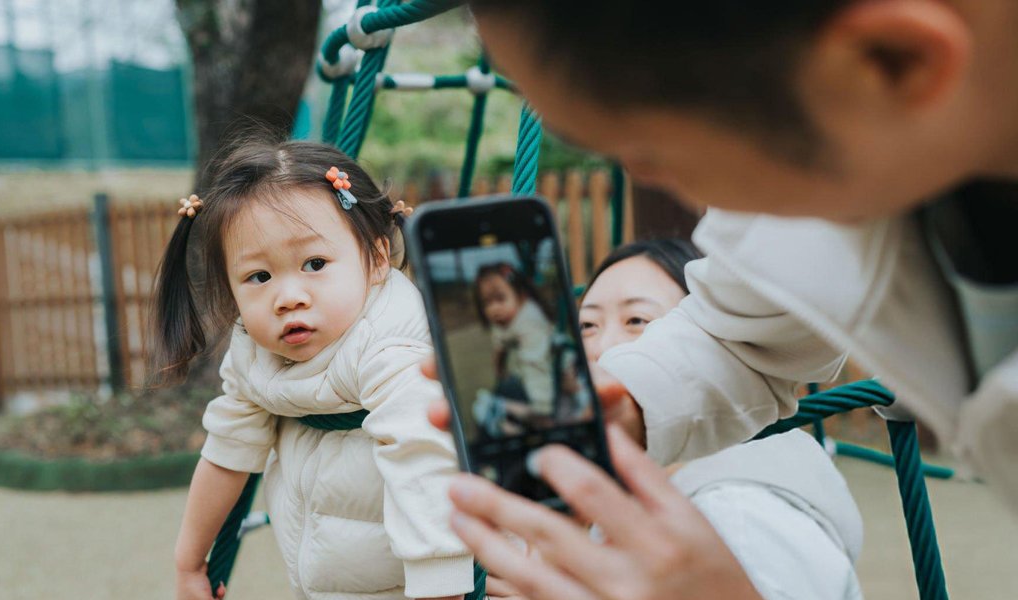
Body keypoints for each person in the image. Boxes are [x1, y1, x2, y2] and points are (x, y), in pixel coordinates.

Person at [425, 1, 1018, 598]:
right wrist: (630, 403)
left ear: (892, 62)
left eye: (648, 150)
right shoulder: (849, 138)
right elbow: (739, 330)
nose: (648, 178)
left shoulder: (747, 514)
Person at [152, 139, 472, 600]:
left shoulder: (393, 350)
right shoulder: (252, 353)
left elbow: (423, 469)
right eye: (259, 277)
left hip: (420, 585)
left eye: (315, 264)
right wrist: (188, 561)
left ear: (378, 260)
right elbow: (226, 452)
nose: (288, 297)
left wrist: (441, 592)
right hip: (325, 579)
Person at [578, 240, 863, 600]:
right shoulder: (603, 497)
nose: (603, 347)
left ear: (704, 341)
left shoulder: (739, 510)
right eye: (586, 325)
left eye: (637, 321)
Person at [473, 262, 556, 435]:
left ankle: (503, 416)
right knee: (503, 389)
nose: (494, 309)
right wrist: (499, 368)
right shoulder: (506, 320)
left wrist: (543, 410)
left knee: (491, 409)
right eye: (487, 303)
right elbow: (499, 346)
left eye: (500, 299)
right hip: (525, 382)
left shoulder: (530, 321)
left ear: (521, 296)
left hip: (547, 385)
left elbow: (537, 365)